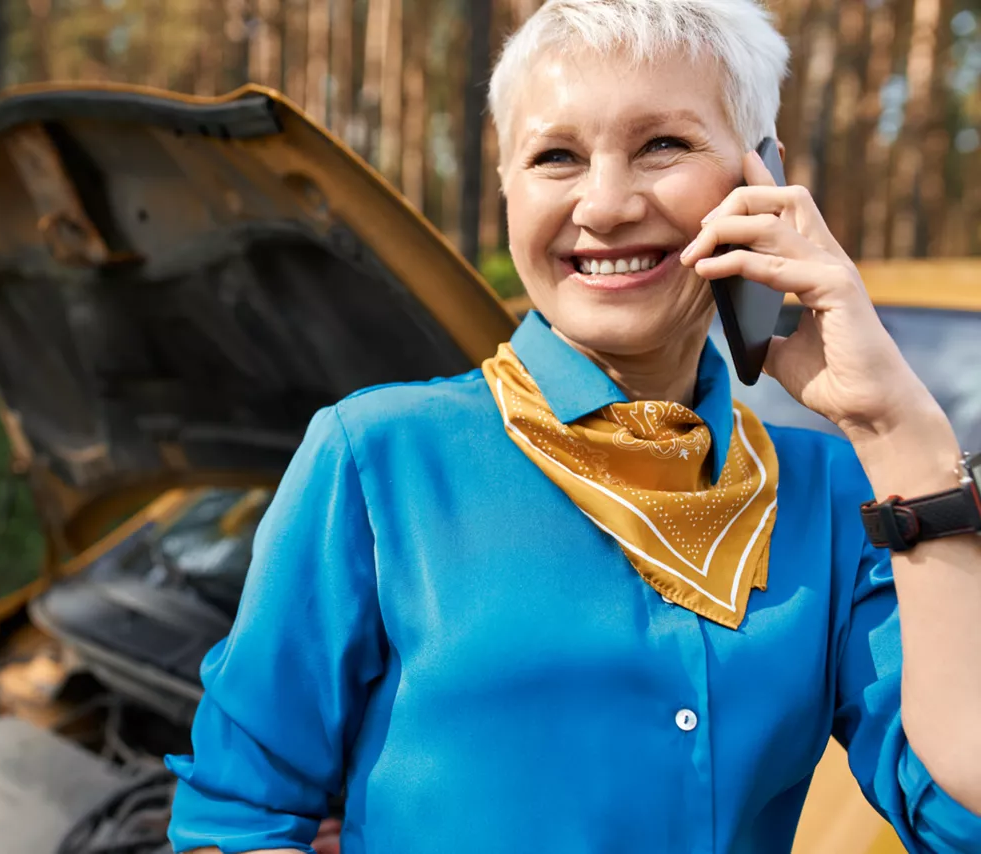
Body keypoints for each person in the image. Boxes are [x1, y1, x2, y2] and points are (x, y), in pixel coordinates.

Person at [165, 1, 981, 851]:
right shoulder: (379, 460)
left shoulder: (834, 496)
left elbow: (960, 820)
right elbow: (237, 819)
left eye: (662, 145)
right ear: (509, 189)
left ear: (760, 178)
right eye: (556, 156)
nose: (606, 204)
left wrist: (898, 427)